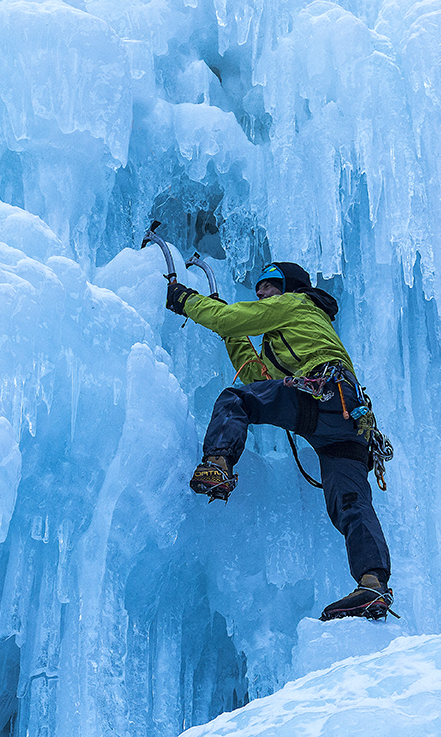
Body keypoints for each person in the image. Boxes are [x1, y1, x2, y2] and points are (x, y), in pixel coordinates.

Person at [166, 261, 395, 621]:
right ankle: (373, 584)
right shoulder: (287, 339)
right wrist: (231, 334)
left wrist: (187, 301)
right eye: (258, 288)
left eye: (270, 285)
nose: (261, 293)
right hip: (347, 419)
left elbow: (230, 321)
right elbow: (258, 376)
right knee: (350, 502)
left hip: (323, 397)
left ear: (289, 288)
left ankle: (219, 463)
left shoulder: (298, 305)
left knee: (234, 400)